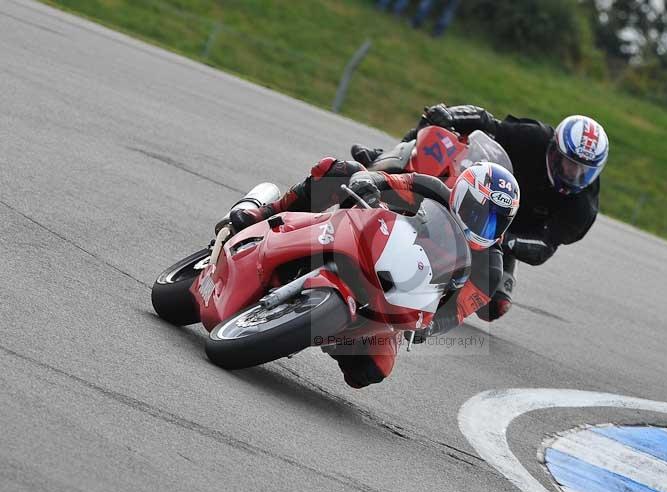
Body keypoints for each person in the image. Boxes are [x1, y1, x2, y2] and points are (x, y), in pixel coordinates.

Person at [226, 158, 519, 388]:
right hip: (364, 239)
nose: (483, 227)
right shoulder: (431, 189)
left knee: (370, 371)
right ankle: (265, 213)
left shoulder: (488, 271)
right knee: (338, 170)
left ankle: (318, 328)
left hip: (396, 299)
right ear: (462, 194)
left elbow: (453, 313)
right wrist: (367, 183)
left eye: (495, 223)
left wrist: (428, 328)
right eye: (478, 214)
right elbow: (383, 179)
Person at [351, 104, 609, 322]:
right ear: (554, 150)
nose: (573, 175)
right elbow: (487, 124)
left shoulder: (583, 209)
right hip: (477, 193)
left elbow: (543, 247)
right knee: (438, 130)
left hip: (502, 233)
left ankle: (430, 304)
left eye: (583, 170)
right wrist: (449, 116)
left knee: (492, 308)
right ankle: (384, 161)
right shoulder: (534, 137)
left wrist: (502, 240)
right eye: (569, 164)